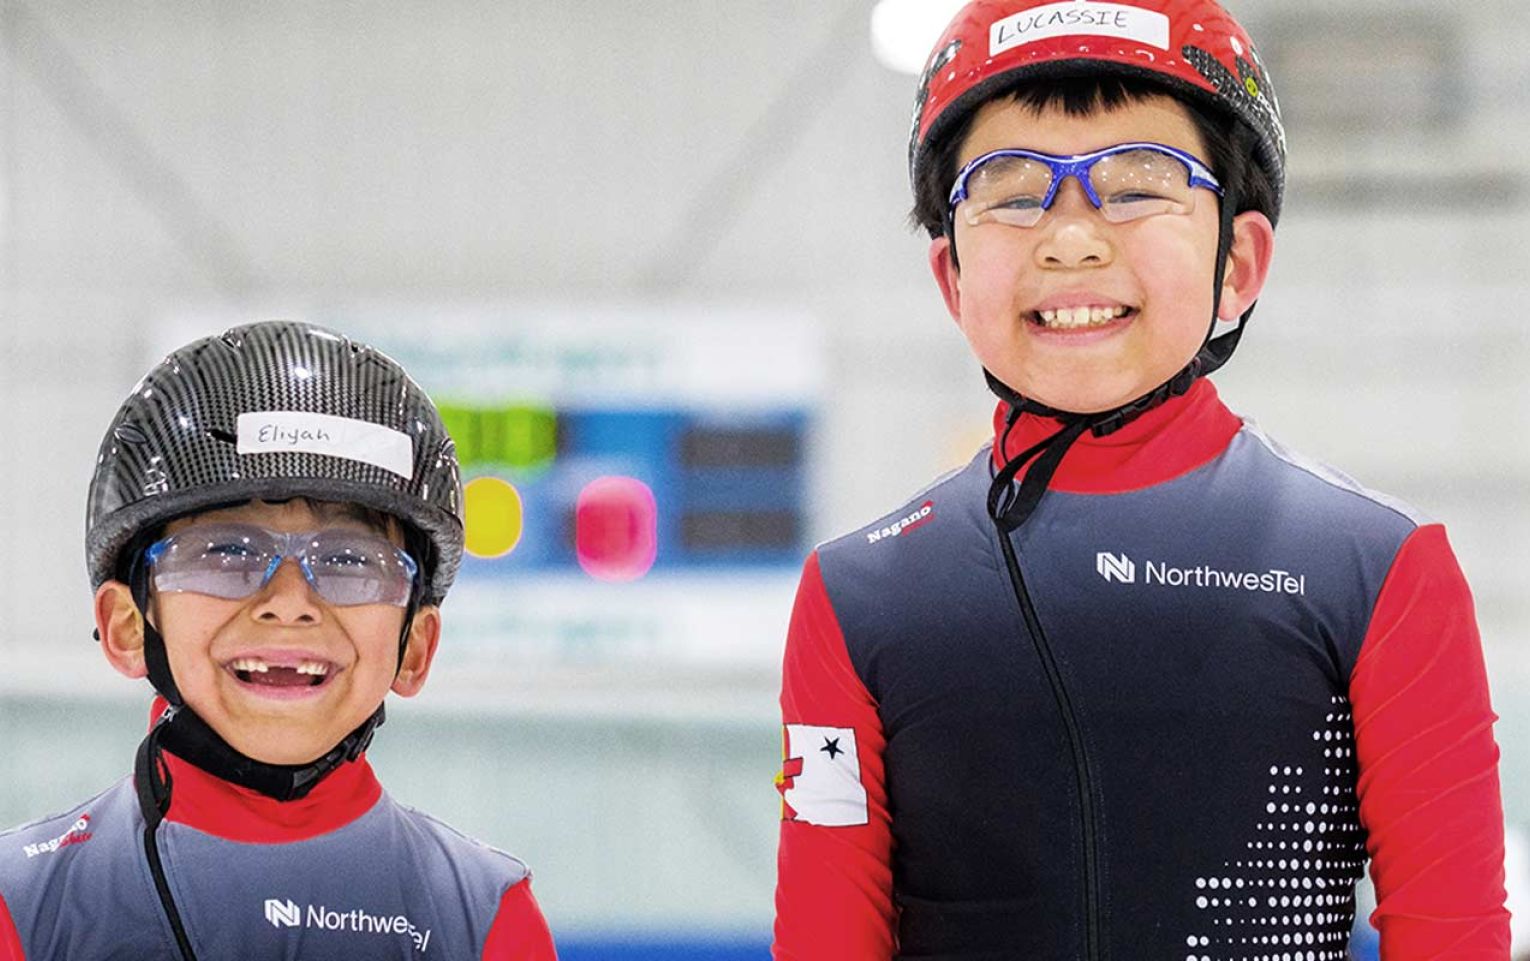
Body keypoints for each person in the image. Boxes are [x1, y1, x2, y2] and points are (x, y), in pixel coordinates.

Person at [772, 1, 1510, 959]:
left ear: (1237, 263)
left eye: (1139, 185)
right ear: (952, 275)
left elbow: (1453, 932)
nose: (1071, 237)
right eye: (1009, 188)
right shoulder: (857, 594)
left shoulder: (1375, 570)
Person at [0, 321, 557, 960]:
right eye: (226, 552)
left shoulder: (483, 917)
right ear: (129, 626)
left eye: (350, 560)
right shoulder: (22, 903)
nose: (290, 604)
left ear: (414, 646)